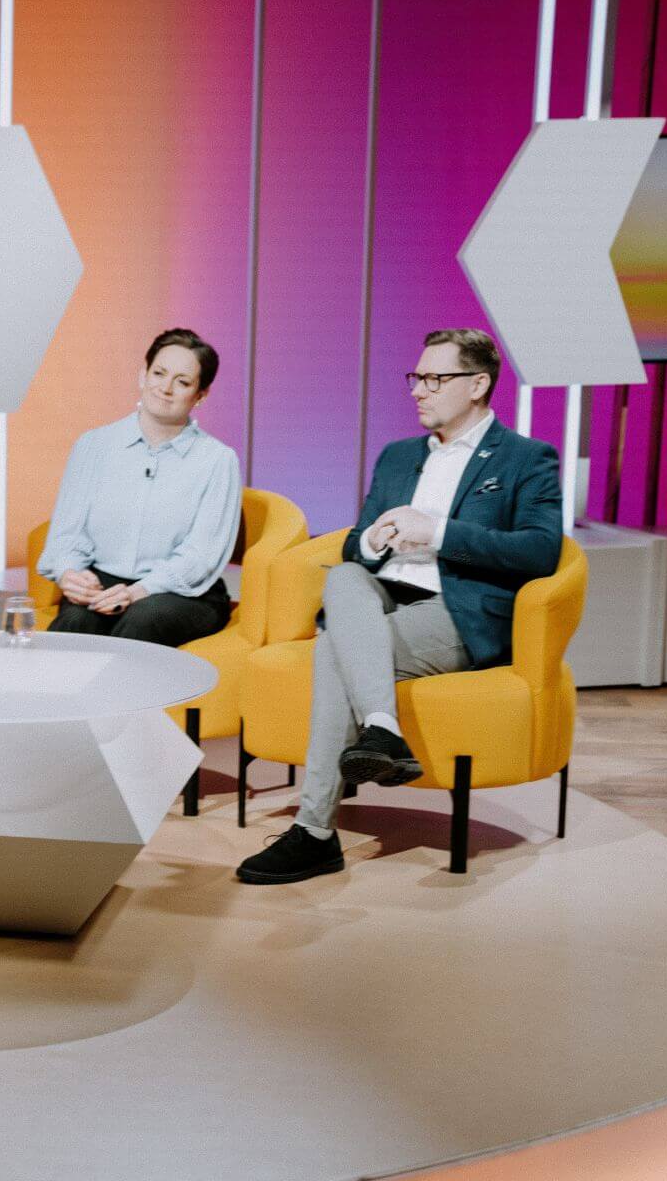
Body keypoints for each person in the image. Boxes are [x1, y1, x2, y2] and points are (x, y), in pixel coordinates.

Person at [235, 328, 562, 885]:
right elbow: (354, 545)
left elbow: (539, 550)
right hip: (381, 596)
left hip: (457, 610)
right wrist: (373, 539)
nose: (418, 390)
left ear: (478, 384)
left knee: (333, 650)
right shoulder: (397, 456)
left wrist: (437, 531)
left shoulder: (526, 459)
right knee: (344, 575)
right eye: (417, 377)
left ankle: (315, 833)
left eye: (435, 378)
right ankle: (382, 728)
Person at [37, 328, 242, 645]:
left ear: (201, 395)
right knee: (76, 622)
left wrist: (137, 591)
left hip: (183, 592)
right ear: (143, 375)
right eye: (159, 373)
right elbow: (67, 531)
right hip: (106, 580)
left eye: (182, 382)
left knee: (139, 621)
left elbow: (200, 556)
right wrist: (70, 574)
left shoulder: (217, 460)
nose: (166, 389)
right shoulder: (94, 445)